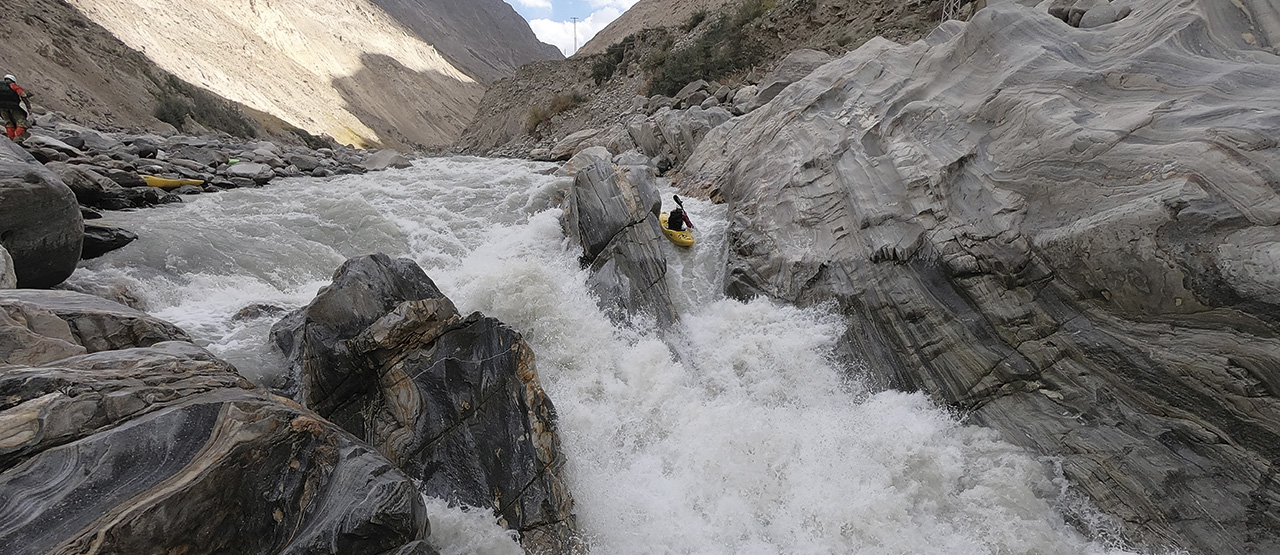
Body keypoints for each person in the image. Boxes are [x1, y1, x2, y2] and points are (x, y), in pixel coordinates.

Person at [1, 74, 34, 143]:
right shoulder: (13, 85)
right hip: (13, 107)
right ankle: (18, 138)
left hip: (1, 108)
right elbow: (22, 95)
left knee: (8, 123)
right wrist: (28, 107)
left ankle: (11, 138)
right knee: (21, 122)